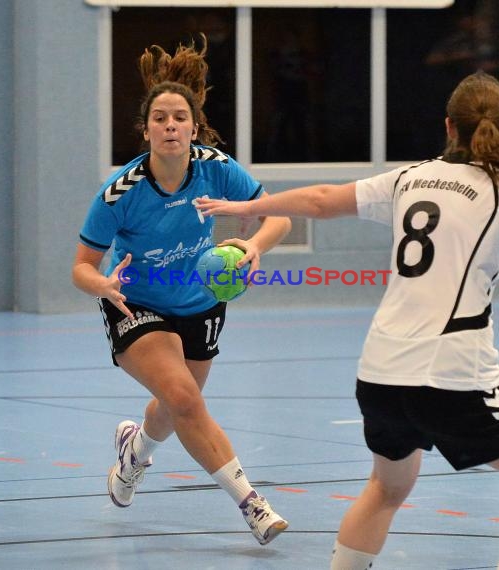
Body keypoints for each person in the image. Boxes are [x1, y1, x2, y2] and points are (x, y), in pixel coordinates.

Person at [196, 71, 499, 569]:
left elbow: (321, 200)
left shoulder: (410, 177)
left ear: (448, 126)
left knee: (387, 489)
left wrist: (249, 206)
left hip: (381, 374)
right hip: (452, 373)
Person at [72, 35, 291, 546]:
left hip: (199, 302)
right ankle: (252, 504)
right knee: (183, 396)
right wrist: (101, 283)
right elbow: (80, 267)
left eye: (179, 118)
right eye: (159, 119)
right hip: (137, 305)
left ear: (193, 127)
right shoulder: (118, 193)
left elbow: (276, 215)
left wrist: (255, 246)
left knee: (175, 407)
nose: (170, 126)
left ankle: (135, 452)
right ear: (145, 130)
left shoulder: (215, 167)